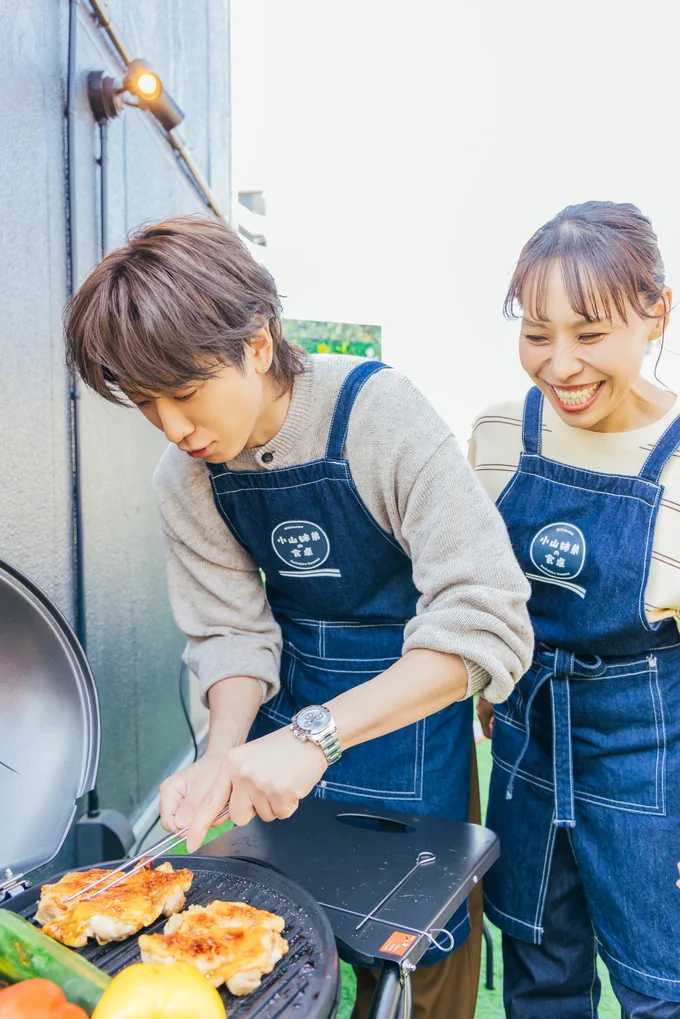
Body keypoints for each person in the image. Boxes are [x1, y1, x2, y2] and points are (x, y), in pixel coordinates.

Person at [65, 215, 533, 1019]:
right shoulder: (187, 476)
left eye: (184, 392)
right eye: (146, 403)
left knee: (418, 962)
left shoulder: (379, 416)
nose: (174, 427)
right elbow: (231, 634)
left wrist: (317, 736)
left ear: (257, 341)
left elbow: (487, 620)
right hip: (283, 727)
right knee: (272, 940)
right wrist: (222, 754)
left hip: (410, 723)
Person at [470, 201, 680, 1018]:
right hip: (526, 747)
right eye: (536, 332)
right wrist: (493, 690)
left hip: (651, 760)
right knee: (539, 976)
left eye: (589, 333)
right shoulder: (496, 435)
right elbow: (480, 593)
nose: (560, 365)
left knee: (661, 990)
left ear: (657, 311)